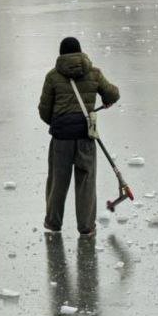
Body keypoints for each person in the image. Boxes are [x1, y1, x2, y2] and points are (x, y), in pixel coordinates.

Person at [37, 37, 120, 237]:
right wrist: (105, 101)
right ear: (80, 52)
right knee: (86, 182)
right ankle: (86, 227)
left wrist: (59, 123)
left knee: (58, 181)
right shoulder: (94, 73)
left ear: (61, 54)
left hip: (61, 140)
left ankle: (53, 223)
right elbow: (113, 94)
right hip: (85, 137)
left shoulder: (52, 77)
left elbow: (44, 110)